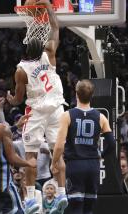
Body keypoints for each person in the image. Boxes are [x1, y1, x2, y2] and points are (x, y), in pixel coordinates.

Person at [6, 0, 67, 211]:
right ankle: (61, 193)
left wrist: (9, 99)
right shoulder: (49, 53)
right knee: (56, 153)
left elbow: (19, 98)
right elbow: (55, 27)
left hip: (38, 112)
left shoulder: (21, 70)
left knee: (31, 155)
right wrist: (48, 7)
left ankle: (31, 198)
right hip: (57, 109)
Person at [51, 80, 116, 214]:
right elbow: (112, 143)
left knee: (76, 207)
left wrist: (54, 162)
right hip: (93, 165)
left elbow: (58, 146)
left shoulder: (67, 115)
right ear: (92, 95)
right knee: (89, 207)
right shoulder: (101, 117)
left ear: (76, 94)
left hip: (75, 164)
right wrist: (101, 155)